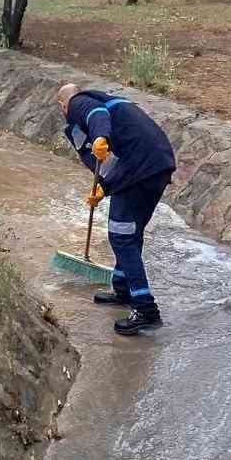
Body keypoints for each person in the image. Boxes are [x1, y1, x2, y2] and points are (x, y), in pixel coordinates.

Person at [56, 82, 176, 336]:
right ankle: (123, 289)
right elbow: (99, 161)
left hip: (140, 170)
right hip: (157, 166)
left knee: (121, 236)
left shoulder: (79, 102)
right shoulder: (92, 116)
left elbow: (97, 117)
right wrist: (102, 187)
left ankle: (146, 309)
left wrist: (101, 137)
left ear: (62, 104)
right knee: (131, 234)